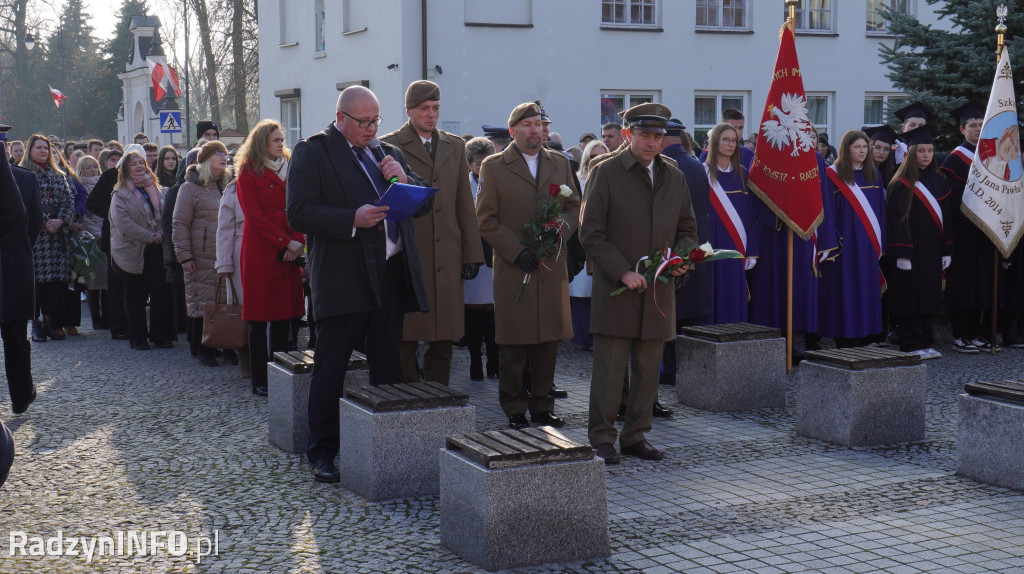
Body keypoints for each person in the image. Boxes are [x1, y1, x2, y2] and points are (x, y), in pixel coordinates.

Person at [287, 85, 429, 484]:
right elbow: (298, 211)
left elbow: (422, 200)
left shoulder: (387, 152)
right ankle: (323, 451)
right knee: (331, 366)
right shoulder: (313, 152)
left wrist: (404, 176)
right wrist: (352, 218)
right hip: (343, 277)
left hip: (390, 274)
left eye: (376, 121)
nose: (371, 129)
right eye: (364, 122)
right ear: (341, 119)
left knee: (388, 365)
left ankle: (382, 446)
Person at [580, 103, 698, 464]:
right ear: (629, 134)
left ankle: (636, 436)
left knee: (648, 370)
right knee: (610, 371)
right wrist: (622, 271)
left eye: (658, 136)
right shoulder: (606, 172)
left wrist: (679, 261)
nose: (651, 143)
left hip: (658, 291)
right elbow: (591, 233)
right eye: (645, 135)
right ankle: (602, 437)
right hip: (618, 290)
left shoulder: (674, 175)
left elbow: (688, 230)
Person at [476, 101, 580, 430]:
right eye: (528, 125)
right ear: (513, 132)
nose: (535, 130)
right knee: (514, 341)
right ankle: (514, 406)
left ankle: (542, 405)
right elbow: (486, 219)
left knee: (548, 340)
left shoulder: (559, 164)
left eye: (539, 124)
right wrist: (515, 250)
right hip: (514, 268)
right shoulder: (493, 166)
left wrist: (560, 230)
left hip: (550, 266)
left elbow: (573, 205)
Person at [381, 80, 484, 385]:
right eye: (424, 109)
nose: (431, 114)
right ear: (409, 111)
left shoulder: (455, 146)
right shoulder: (390, 145)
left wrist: (472, 253)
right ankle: (408, 394)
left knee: (444, 333)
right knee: (407, 334)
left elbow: (464, 204)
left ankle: (439, 395)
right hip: (411, 253)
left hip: (448, 253)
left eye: (435, 108)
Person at [234, 119, 305, 396]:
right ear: (262, 141)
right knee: (259, 318)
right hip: (262, 252)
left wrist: (296, 242)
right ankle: (260, 379)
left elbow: (300, 206)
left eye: (282, 140)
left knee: (283, 317)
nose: (281, 144)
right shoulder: (248, 172)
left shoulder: (292, 168)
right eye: (275, 140)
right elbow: (254, 215)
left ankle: (281, 377)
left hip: (290, 250)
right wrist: (283, 241)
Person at [885, 124, 951, 359]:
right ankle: (910, 344)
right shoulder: (900, 182)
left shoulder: (940, 179)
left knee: (929, 297)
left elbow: (947, 216)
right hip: (911, 251)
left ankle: (925, 340)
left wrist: (947, 249)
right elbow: (897, 221)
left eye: (930, 151)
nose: (926, 155)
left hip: (932, 250)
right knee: (909, 298)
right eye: (921, 150)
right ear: (912, 153)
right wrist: (902, 252)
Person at [818, 130, 886, 347]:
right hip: (844, 245)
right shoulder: (832, 175)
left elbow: (881, 211)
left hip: (867, 245)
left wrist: (881, 242)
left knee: (866, 289)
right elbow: (826, 212)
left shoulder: (874, 174)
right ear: (846, 149)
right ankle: (845, 338)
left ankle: (867, 335)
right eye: (858, 147)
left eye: (865, 147)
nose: (863, 151)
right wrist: (832, 242)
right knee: (845, 291)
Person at [941, 101, 994, 352]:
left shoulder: (989, 157)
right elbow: (952, 200)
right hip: (962, 231)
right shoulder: (955, 160)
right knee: (962, 284)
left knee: (981, 282)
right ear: (962, 130)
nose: (977, 128)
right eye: (972, 125)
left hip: (984, 232)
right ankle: (961, 334)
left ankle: (977, 331)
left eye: (981, 124)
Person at [173, 140, 232, 366]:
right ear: (206, 160)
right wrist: (185, 256)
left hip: (224, 254)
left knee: (226, 300)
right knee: (202, 301)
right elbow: (179, 223)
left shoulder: (226, 185)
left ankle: (227, 345)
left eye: (225, 153)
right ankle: (202, 347)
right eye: (218, 153)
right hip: (200, 255)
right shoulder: (189, 188)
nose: (223, 157)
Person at [109, 151, 174, 350]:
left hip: (157, 249)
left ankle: (160, 335)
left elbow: (167, 216)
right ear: (125, 168)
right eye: (133, 163)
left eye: (141, 162)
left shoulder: (160, 189)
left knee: (159, 293)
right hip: (132, 250)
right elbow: (124, 223)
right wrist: (150, 236)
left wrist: (161, 234)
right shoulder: (120, 194)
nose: (138, 166)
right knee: (135, 296)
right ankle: (138, 337)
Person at [20, 134, 74, 342]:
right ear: (30, 151)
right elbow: (24, 203)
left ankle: (51, 323)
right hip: (35, 237)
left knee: (54, 284)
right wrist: (43, 221)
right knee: (37, 284)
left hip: (56, 238)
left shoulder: (58, 174)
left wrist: (60, 220)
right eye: (38, 147)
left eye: (46, 148)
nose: (43, 151)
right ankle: (36, 325)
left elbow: (68, 201)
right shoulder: (23, 173)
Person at [703, 122, 758, 324]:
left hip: (737, 248)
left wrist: (751, 250)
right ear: (715, 141)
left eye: (734, 140)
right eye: (726, 139)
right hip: (711, 246)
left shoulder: (743, 174)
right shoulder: (703, 174)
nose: (731, 144)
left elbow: (751, 215)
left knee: (734, 296)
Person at [0, 124, 38, 414]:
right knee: (16, 337)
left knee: (16, 335)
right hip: (15, 267)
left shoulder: (27, 178)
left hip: (14, 267)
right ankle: (21, 395)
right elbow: (33, 227)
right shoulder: (26, 179)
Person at [86, 146, 134, 341]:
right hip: (113, 236)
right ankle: (116, 324)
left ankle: (132, 323)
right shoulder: (109, 176)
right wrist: (114, 213)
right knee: (114, 284)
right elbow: (92, 203)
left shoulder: (139, 177)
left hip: (134, 238)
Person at [568, 140, 611, 351]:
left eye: (601, 156)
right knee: (580, 294)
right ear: (586, 159)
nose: (597, 161)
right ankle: (581, 338)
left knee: (598, 294)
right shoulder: (578, 181)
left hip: (603, 244)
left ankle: (597, 337)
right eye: (593, 157)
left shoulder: (612, 180)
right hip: (580, 242)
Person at [463, 137, 499, 380]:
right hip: (474, 257)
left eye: (487, 162)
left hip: (496, 254)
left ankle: (494, 363)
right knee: (475, 311)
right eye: (478, 164)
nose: (482, 168)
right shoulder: (464, 187)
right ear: (469, 165)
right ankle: (475, 360)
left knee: (494, 312)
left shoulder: (496, 181)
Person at [77, 155, 109, 330]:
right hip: (92, 238)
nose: (92, 170)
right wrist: (98, 234)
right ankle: (96, 316)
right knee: (94, 281)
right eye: (88, 167)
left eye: (94, 166)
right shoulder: (80, 187)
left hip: (106, 234)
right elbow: (84, 217)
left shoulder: (104, 184)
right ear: (81, 170)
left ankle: (107, 314)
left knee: (107, 281)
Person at [864, 124, 898, 190]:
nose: (881, 152)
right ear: (871, 147)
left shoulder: (891, 173)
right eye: (877, 147)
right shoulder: (862, 170)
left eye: (886, 149)